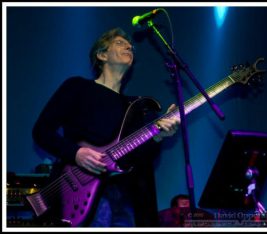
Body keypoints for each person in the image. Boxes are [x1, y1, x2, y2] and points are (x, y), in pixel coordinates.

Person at [32, 27, 180, 227]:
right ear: (101, 55)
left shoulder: (135, 107)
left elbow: (138, 159)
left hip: (124, 195)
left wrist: (159, 136)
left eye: (130, 46)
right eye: (120, 43)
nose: (129, 46)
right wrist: (76, 153)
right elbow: (42, 131)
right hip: (81, 190)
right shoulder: (77, 87)